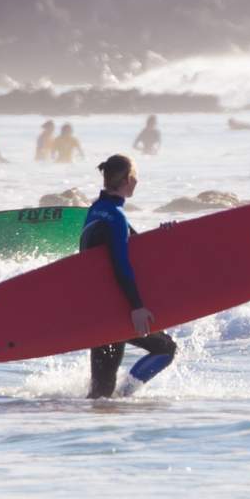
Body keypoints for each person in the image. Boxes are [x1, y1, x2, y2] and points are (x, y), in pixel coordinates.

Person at [81, 154, 176, 398]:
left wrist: (164, 236)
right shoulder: (116, 218)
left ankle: (109, 407)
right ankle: (124, 396)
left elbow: (135, 246)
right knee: (165, 349)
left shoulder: (98, 210)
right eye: (136, 176)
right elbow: (121, 263)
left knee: (100, 391)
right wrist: (137, 306)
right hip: (115, 308)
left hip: (97, 306)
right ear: (129, 179)